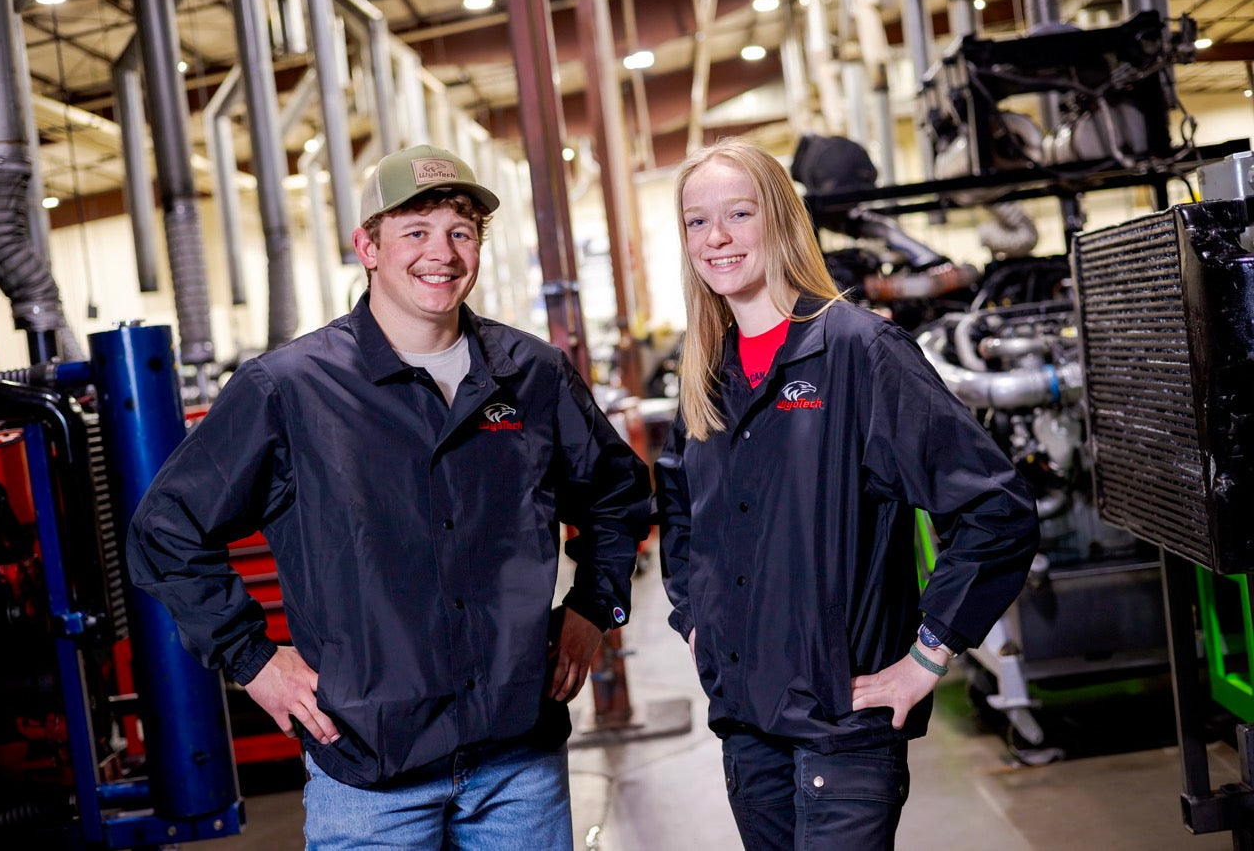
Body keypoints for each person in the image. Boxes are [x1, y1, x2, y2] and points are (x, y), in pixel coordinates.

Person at [127, 143, 651, 849]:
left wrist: (596, 607)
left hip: (517, 761)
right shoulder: (290, 390)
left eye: (460, 232)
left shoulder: (534, 376)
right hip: (370, 773)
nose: (441, 252)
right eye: (415, 231)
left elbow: (618, 496)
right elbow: (166, 530)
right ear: (366, 246)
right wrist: (253, 660)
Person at [654, 136, 1039, 849]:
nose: (716, 238)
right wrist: (698, 620)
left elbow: (995, 510)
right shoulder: (705, 373)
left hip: (842, 728)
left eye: (738, 214)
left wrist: (927, 657)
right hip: (746, 726)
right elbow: (683, 513)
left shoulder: (861, 352)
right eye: (696, 221)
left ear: (780, 221)